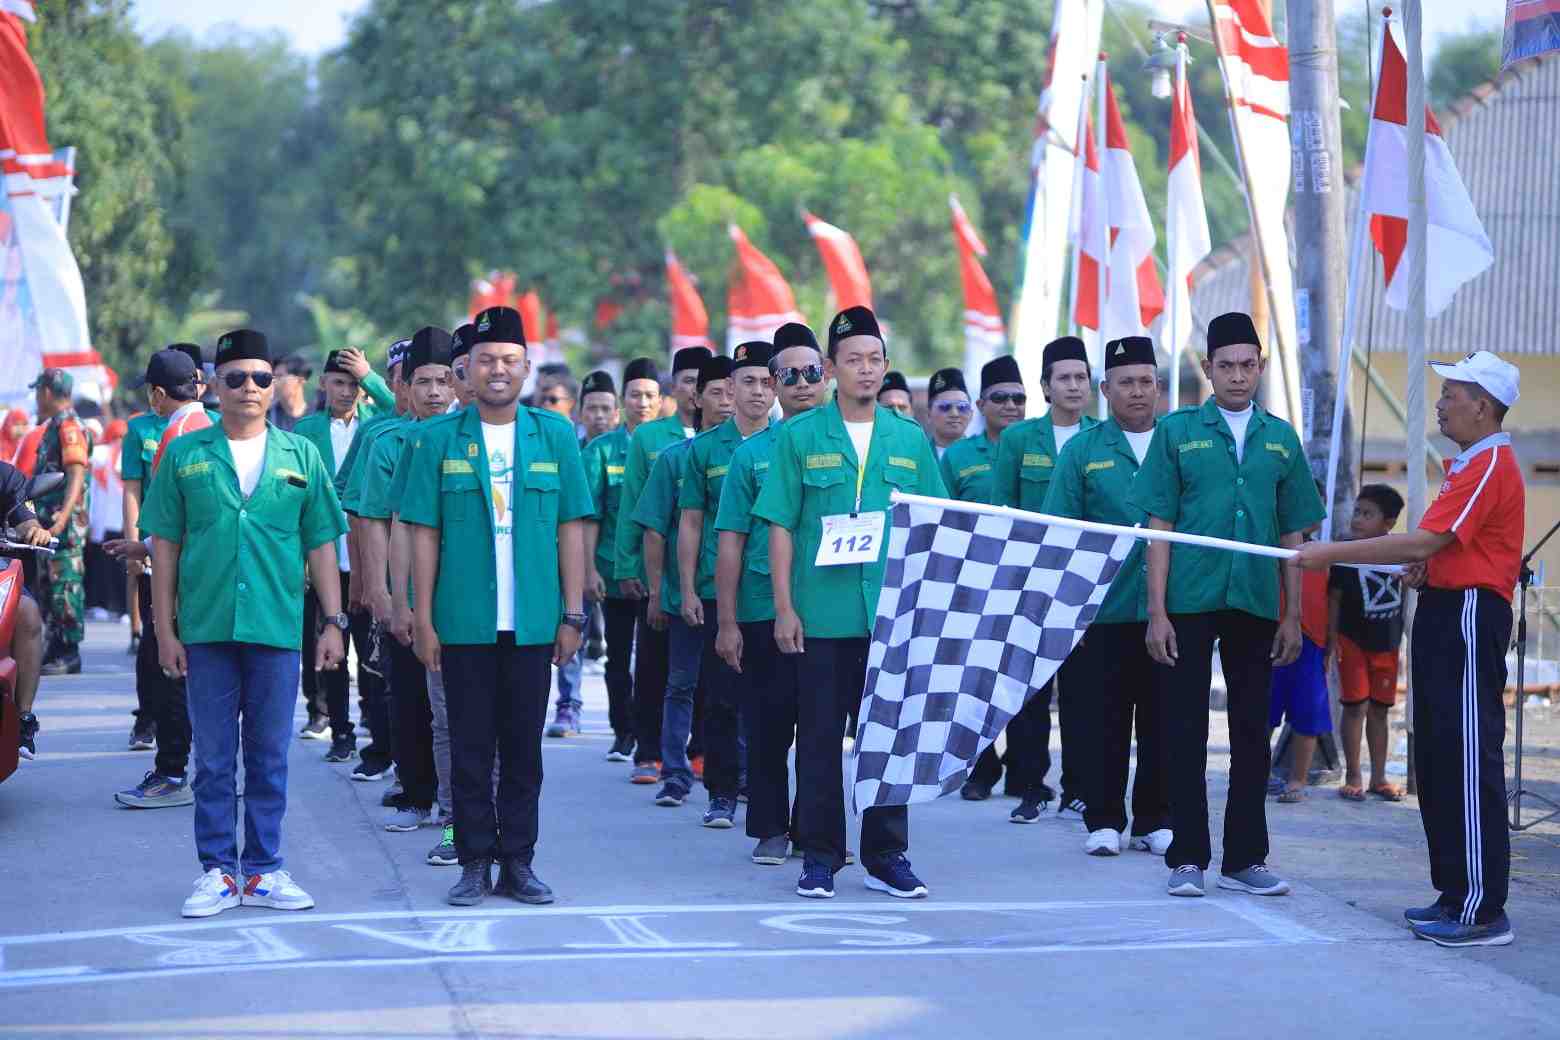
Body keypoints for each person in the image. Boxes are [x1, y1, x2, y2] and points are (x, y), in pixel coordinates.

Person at [1297, 351, 1524, 947]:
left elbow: (1427, 540)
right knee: (1441, 754)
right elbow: (1444, 548)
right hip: (1447, 610)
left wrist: (1333, 552)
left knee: (1470, 757)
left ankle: (1480, 908)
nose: (1442, 402)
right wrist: (1431, 568)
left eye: (1452, 392)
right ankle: (1455, 892)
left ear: (1483, 405)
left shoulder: (1490, 462)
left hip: (1472, 615)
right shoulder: (1468, 462)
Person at [140, 328, 349, 918]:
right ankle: (215, 870)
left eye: (261, 377)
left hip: (277, 627)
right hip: (205, 630)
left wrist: (333, 623)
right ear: (213, 386)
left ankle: (262, 870)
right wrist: (163, 630)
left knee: (269, 755)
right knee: (211, 759)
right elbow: (166, 547)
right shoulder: (186, 454)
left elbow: (322, 545)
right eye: (236, 378)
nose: (251, 388)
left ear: (274, 383)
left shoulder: (300, 454)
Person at [753, 305, 947, 900]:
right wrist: (784, 607)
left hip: (888, 618)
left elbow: (936, 525)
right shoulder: (799, 438)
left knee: (887, 738)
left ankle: (886, 854)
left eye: (874, 360)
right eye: (852, 360)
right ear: (831, 368)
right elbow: (780, 524)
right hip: (820, 616)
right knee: (815, 739)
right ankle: (819, 853)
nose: (865, 370)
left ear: (887, 367)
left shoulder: (909, 440)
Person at [402, 305, 592, 907]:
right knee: (469, 746)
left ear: (527, 368)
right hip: (463, 622)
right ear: (466, 369)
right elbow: (423, 533)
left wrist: (573, 612)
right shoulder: (436, 438)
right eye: (486, 360)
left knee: (523, 751)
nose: (498, 370)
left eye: (510, 360)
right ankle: (472, 861)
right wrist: (424, 617)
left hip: (535, 621)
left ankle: (519, 862)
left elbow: (571, 526)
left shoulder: (555, 434)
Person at [1131, 312, 1324, 900]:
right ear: (1207, 369)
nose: (1238, 376)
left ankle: (1245, 858)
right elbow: (1158, 527)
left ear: (1260, 368)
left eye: (1248, 365)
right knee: (1183, 728)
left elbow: (1294, 534)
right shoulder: (1177, 432)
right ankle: (1187, 857)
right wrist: (1157, 611)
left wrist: (1293, 615)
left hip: (1256, 600)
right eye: (1227, 366)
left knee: (1250, 731)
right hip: (1190, 598)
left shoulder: (1280, 438)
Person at [1042, 336, 1171, 854]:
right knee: (1104, 718)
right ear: (1105, 390)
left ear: (1158, 387)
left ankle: (1154, 819)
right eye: (1125, 383)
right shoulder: (1083, 450)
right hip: (1102, 610)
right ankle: (1103, 819)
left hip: (1169, 607)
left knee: (1164, 717)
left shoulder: (1176, 444)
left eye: (1145, 382)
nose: (1137, 392)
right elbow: (1059, 533)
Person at [716, 322, 826, 863]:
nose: (801, 383)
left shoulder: (849, 444)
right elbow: (730, 542)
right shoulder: (752, 454)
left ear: (825, 375)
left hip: (834, 611)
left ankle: (816, 829)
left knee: (823, 732)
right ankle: (769, 827)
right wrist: (728, 621)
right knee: (769, 725)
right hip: (763, 609)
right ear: (774, 383)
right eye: (789, 375)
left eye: (811, 372)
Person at [988, 336, 1099, 821]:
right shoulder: (1018, 440)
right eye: (1064, 378)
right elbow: (1001, 510)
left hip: (1089, 583)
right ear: (1046, 387)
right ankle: (1031, 785)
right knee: (1029, 688)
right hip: (1030, 581)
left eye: (1081, 377)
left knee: (1083, 691)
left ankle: (1079, 787)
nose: (1074, 386)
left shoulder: (1104, 438)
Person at [357, 328, 454, 833]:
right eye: (423, 382)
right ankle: (418, 793)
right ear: (405, 388)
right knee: (412, 698)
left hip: (457, 598)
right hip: (406, 593)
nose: (434, 392)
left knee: (456, 711)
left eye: (443, 380)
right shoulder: (388, 442)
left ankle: (460, 805)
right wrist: (381, 592)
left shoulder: (471, 437)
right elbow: (375, 519)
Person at [677, 342, 776, 826]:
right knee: (720, 696)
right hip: (721, 591)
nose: (757, 392)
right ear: (729, 390)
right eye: (748, 382)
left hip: (777, 591)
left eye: (765, 382)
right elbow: (691, 522)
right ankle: (720, 791)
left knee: (771, 701)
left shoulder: (789, 443)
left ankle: (761, 793)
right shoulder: (703, 449)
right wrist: (690, 589)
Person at [107, 349, 211, 808]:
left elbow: (174, 520)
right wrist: (143, 546)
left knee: (171, 668)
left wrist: (152, 551)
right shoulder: (210, 428)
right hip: (205, 568)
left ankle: (172, 773)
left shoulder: (178, 434)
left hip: (183, 576)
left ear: (157, 394)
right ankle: (208, 773)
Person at [632, 355, 734, 808]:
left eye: (737, 389)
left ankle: (732, 771)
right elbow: (655, 529)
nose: (729, 399)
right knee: (681, 683)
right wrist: (659, 590)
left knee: (732, 689)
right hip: (687, 592)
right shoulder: (677, 458)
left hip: (743, 594)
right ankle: (675, 774)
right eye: (718, 391)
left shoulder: (763, 453)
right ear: (696, 397)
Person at [615, 345, 712, 784]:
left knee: (707, 670)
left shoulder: (726, 440)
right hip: (660, 573)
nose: (695, 389)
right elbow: (633, 505)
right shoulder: (651, 440)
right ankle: (648, 750)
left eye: (703, 381)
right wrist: (626, 566)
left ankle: (701, 749)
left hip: (711, 576)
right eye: (688, 381)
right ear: (675, 387)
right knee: (655, 663)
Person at [291, 348, 397, 752]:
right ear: (323, 384)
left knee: (371, 648)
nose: (347, 391)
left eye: (354, 384)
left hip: (369, 558)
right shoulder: (304, 431)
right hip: (323, 558)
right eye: (339, 382)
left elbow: (401, 404)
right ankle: (339, 728)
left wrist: (369, 376)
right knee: (328, 644)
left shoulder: (377, 424)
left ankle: (375, 722)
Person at [336, 337, 413, 783]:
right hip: (380, 575)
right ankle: (383, 748)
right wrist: (362, 581)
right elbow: (357, 507)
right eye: (399, 377)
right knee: (376, 666)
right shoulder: (377, 432)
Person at [582, 361, 659, 762]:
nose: (641, 403)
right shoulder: (602, 451)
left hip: (660, 577)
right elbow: (589, 514)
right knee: (617, 657)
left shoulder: (670, 445)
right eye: (634, 395)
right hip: (613, 572)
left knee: (652, 661)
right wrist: (589, 569)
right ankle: (622, 731)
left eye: (649, 395)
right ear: (621, 404)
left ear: (661, 401)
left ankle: (652, 736)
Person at [1327, 484, 1406, 803]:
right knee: (1355, 706)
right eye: (1357, 512)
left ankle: (1379, 777)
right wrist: (1331, 639)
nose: (1357, 519)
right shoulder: (1345, 554)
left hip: (1387, 642)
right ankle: (1353, 775)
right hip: (1352, 641)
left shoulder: (1401, 552)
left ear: (1388, 523)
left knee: (1379, 709)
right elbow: (1334, 598)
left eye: (1367, 514)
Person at [29, 369, 92, 676]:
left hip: (62, 525)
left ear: (48, 392)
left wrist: (63, 517)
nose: (36, 398)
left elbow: (76, 472)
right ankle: (55, 647)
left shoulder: (69, 426)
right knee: (50, 586)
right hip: (48, 524)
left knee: (65, 585)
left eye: (38, 391)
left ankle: (69, 652)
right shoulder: (53, 426)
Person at [1269, 534, 1333, 804]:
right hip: (1272, 639)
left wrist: (1330, 644)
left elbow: (1333, 602)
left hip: (1312, 645)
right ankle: (1257, 775)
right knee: (1262, 713)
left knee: (1308, 716)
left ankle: (1298, 780)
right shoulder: (1270, 545)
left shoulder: (1328, 554)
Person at [3, 459, 53, 761]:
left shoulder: (5, 476)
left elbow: (25, 518)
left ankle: (22, 718)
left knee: (27, 613)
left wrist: (35, 530)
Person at [926, 368, 972, 458]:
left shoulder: (988, 457)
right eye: (944, 407)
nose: (954, 414)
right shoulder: (916, 457)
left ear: (971, 414)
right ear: (929, 414)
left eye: (962, 407)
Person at [267, 353, 315, 431]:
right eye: (273, 377)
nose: (274, 382)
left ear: (300, 379)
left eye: (280, 376)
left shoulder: (318, 416)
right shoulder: (267, 418)